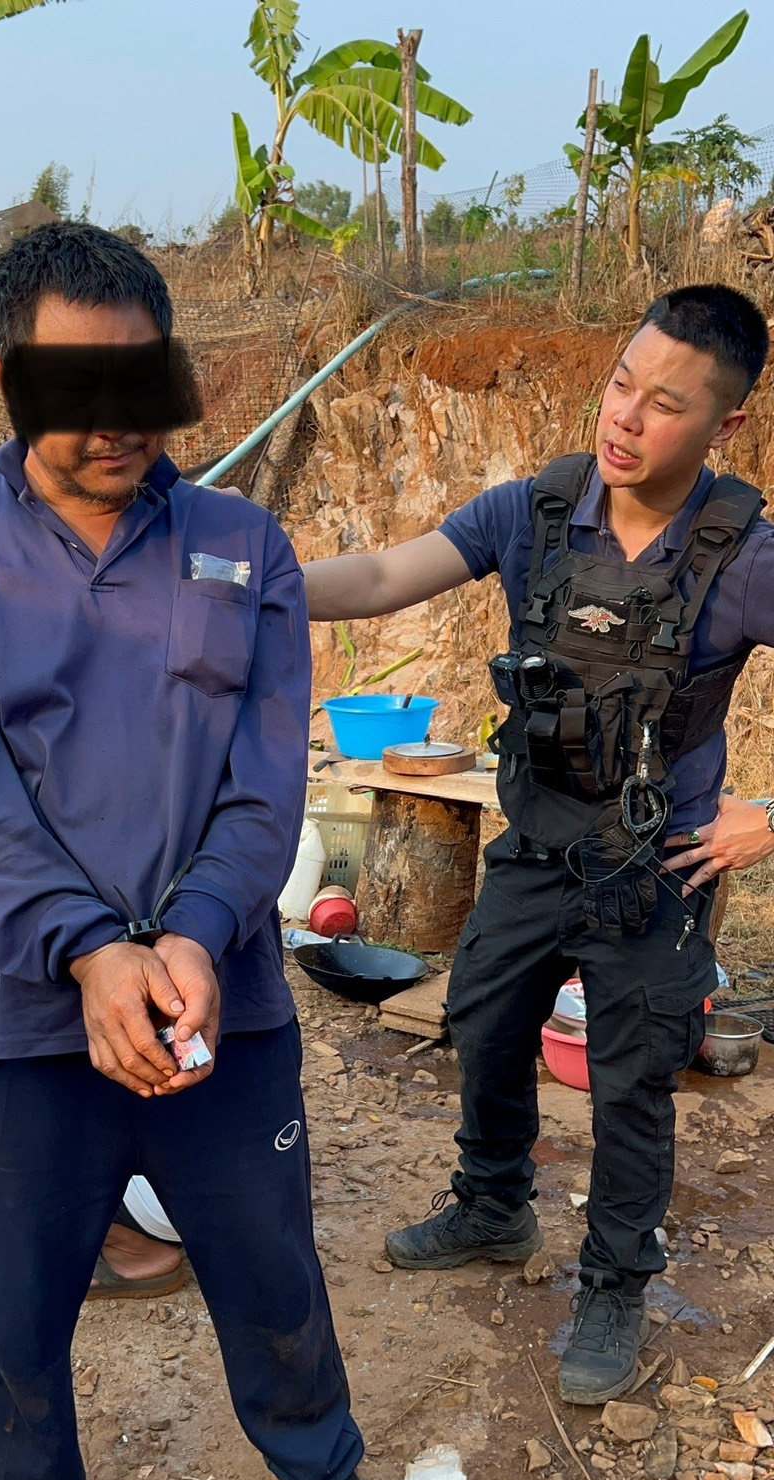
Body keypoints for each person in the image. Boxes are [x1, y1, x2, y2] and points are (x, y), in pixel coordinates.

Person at [0, 223, 401, 1480]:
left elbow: (265, 781)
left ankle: (322, 1460)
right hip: (25, 1019)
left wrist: (189, 933)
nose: (114, 420)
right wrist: (88, 951)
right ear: (7, 379)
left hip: (223, 998)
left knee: (269, 1256)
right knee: (16, 1294)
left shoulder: (244, 548)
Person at [304, 284, 774, 1405]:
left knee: (632, 1081)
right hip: (539, 839)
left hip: (656, 865)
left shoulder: (744, 556)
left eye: (664, 405)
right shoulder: (537, 511)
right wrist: (251, 586)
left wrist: (769, 812)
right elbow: (383, 577)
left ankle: (615, 1283)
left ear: (726, 423)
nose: (625, 418)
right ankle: (494, 1205)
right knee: (483, 1017)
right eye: (620, 383)